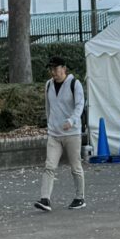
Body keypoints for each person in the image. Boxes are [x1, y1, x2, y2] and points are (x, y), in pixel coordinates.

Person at [35, 58, 88, 212]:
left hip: (72, 133)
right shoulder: (48, 85)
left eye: (55, 69)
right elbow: (48, 106)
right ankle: (45, 198)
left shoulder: (74, 84)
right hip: (54, 133)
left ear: (64, 68)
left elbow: (80, 105)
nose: (53, 72)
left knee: (75, 166)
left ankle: (80, 197)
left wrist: (72, 120)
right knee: (49, 165)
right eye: (51, 69)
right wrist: (49, 124)